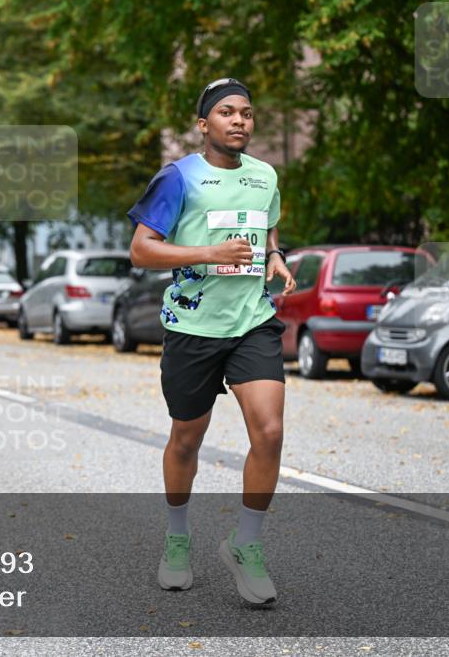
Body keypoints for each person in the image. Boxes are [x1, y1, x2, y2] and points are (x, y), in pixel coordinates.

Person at [127, 78, 297, 605]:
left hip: (251, 320)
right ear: (205, 124)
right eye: (227, 112)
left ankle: (246, 544)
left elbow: (265, 229)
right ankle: (177, 538)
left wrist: (275, 256)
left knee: (268, 432)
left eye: (246, 112)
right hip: (193, 326)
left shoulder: (265, 175)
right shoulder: (179, 178)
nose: (240, 120)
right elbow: (141, 250)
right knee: (186, 440)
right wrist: (205, 253)